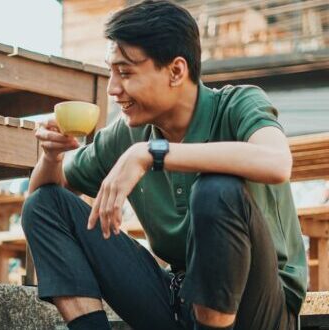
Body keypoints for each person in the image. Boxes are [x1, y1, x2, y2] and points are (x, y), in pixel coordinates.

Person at [22, 1, 307, 329]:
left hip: (260, 308)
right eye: (111, 71)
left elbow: (277, 162)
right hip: (179, 302)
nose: (113, 88)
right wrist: (51, 157)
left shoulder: (237, 105)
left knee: (217, 190)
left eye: (125, 72)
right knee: (43, 204)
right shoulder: (128, 135)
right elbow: (42, 201)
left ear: (176, 71)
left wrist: (151, 154)